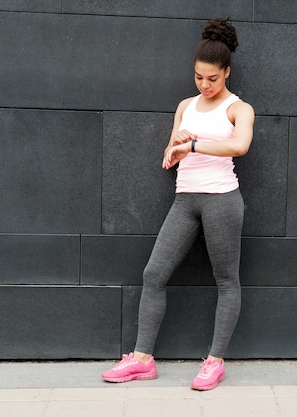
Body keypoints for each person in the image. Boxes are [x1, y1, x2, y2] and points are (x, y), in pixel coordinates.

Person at [101, 17, 255, 391]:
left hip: (222, 200)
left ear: (227, 73)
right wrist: (177, 144)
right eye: (199, 77)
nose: (205, 85)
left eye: (212, 79)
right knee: (154, 274)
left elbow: (239, 146)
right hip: (185, 201)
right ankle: (142, 360)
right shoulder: (186, 106)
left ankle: (214, 362)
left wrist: (195, 144)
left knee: (226, 280)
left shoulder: (239, 109)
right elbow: (169, 158)